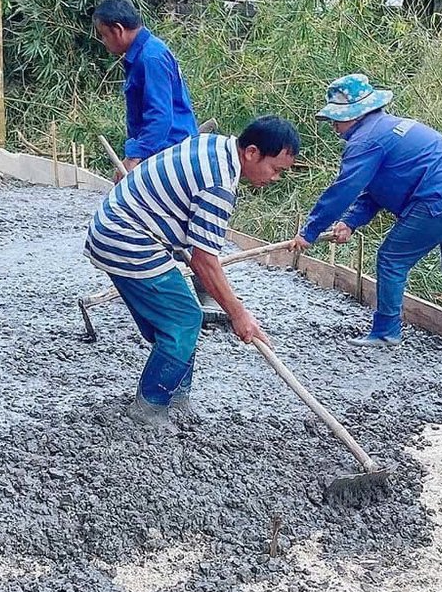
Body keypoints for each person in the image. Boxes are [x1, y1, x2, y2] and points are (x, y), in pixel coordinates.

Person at [85, 118, 301, 426]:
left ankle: (176, 399)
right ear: (252, 153)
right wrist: (238, 313)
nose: (276, 178)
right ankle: (149, 410)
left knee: (174, 322)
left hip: (116, 230)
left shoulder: (214, 144)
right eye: (276, 169)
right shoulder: (219, 184)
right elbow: (203, 261)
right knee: (185, 320)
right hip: (128, 239)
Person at [289, 74, 442, 346]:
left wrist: (309, 232)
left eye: (337, 119)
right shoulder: (386, 128)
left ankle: (386, 331)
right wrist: (350, 223)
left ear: (356, 114)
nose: (334, 126)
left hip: (440, 199)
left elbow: (344, 189)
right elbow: (376, 190)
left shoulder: (364, 141)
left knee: (391, 259)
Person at [95, 0, 198, 170]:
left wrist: (135, 156)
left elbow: (159, 116)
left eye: (104, 35)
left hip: (171, 154)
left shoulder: (151, 58)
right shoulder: (146, 53)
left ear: (118, 30)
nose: (103, 41)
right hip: (160, 150)